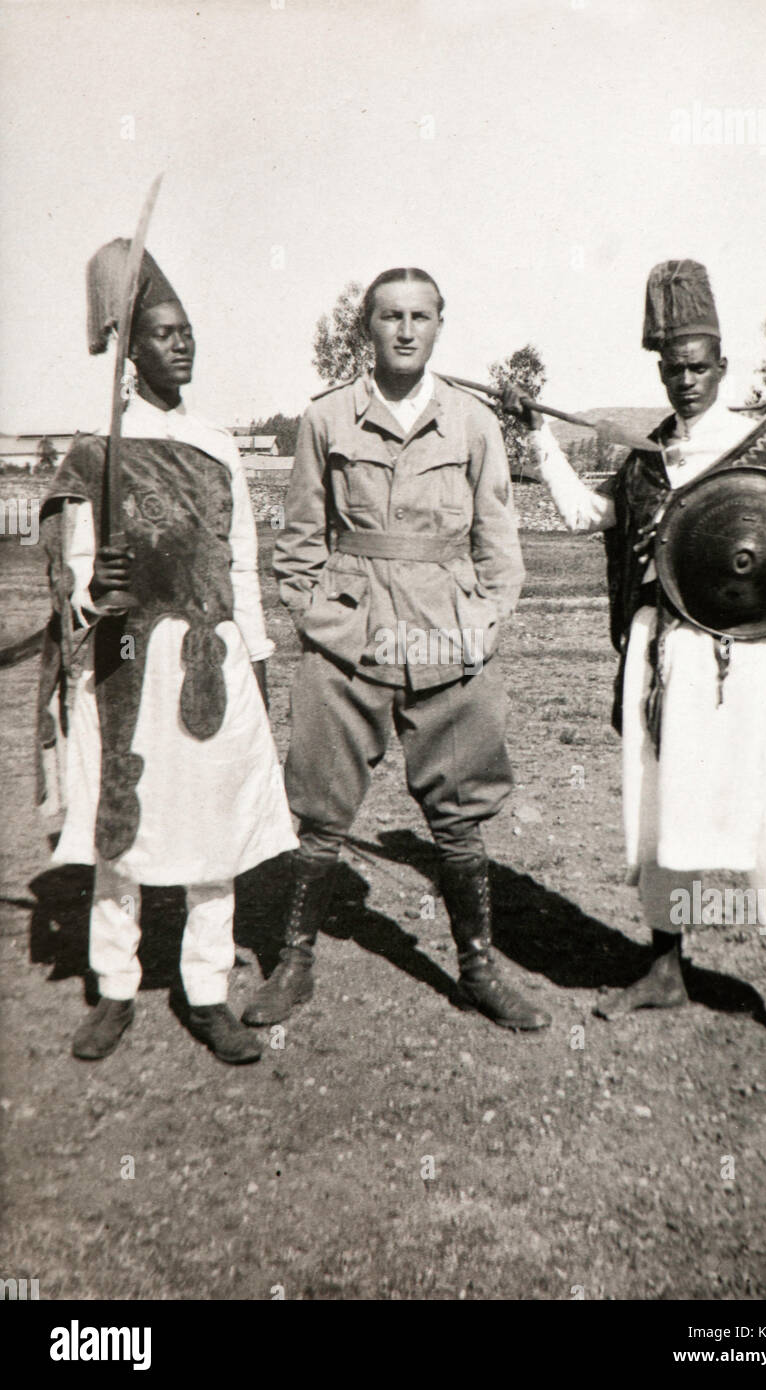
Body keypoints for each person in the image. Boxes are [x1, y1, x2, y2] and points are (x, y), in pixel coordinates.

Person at [503, 259, 766, 1075]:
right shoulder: (644, 458)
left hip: (749, 661)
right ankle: (665, 964)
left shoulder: (764, 444)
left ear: (722, 365)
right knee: (658, 812)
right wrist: (535, 438)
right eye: (671, 366)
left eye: (698, 365)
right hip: (665, 662)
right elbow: (589, 515)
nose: (685, 379)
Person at [242, 267, 550, 1033]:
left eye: (419, 316)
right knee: (319, 811)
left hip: (448, 636)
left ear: (440, 325)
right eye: (389, 316)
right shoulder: (326, 420)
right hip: (349, 638)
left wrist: (483, 622)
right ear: (367, 328)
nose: (405, 329)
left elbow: (499, 545)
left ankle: (478, 967)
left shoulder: (473, 422)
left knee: (459, 813)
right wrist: (320, 620)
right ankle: (296, 960)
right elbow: (300, 539)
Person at [37, 240, 298, 1064]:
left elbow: (242, 566)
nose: (182, 343)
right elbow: (74, 579)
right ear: (129, 347)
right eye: (162, 332)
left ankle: (208, 991)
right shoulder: (96, 453)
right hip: (123, 664)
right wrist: (98, 589)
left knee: (212, 833)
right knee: (123, 825)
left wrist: (256, 663)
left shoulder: (219, 448)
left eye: (187, 330)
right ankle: (114, 988)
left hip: (207, 666)